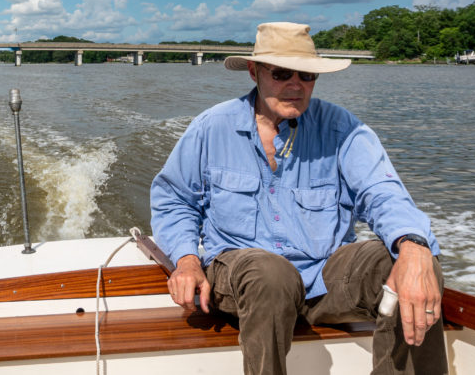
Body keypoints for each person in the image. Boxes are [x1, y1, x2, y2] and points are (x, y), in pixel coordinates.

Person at [150, 22, 447, 375]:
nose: (296, 85)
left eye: (307, 75)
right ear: (253, 72)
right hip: (248, 280)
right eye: (281, 73)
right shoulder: (211, 128)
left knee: (407, 260)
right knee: (271, 274)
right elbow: (175, 200)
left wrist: (413, 246)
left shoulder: (342, 129)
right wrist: (186, 261)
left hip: (325, 280)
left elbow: (382, 192)